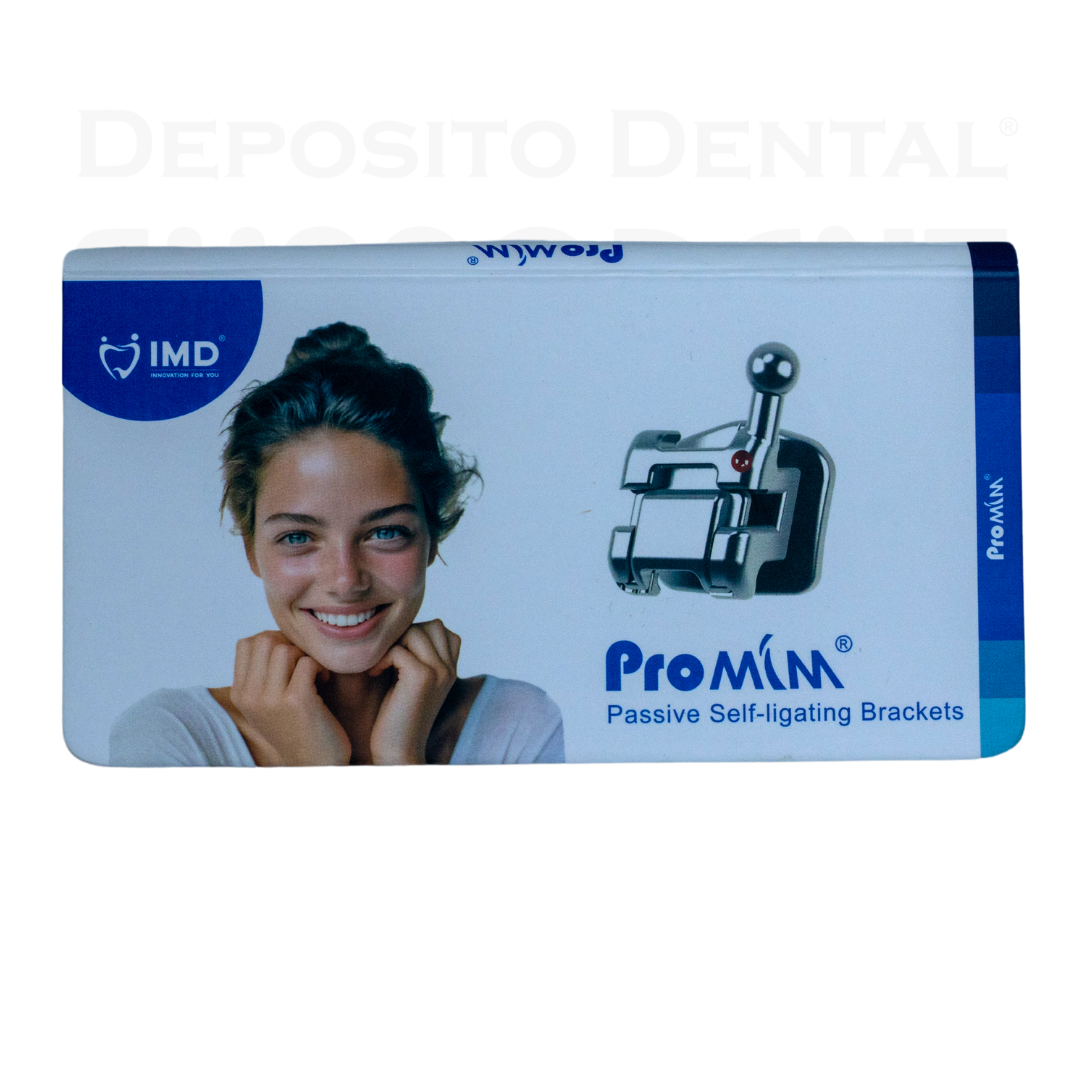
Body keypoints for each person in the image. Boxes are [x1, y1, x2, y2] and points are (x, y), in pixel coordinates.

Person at [110, 322, 564, 766]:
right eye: (298, 537)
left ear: (431, 537)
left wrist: (401, 759)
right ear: (252, 548)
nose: (346, 581)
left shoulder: (518, 724)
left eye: (385, 532)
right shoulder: (170, 737)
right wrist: (313, 767)